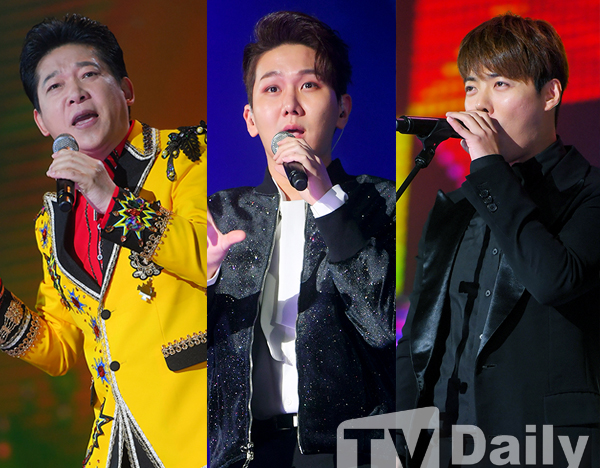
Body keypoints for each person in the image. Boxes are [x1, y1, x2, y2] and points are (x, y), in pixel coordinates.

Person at [0, 14, 207, 467]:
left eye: (89, 74)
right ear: (41, 122)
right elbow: (60, 347)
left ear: (127, 90)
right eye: (54, 86)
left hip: (195, 426)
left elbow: (207, 258)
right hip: (116, 439)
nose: (75, 93)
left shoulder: (187, 155)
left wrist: (110, 200)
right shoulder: (51, 221)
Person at [396, 13, 599, 467]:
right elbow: (418, 339)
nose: (480, 105)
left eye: (501, 84)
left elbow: (554, 280)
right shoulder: (456, 209)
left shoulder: (589, 194)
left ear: (550, 94)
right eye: (471, 87)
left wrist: (488, 167)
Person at [207, 11, 396, 468]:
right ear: (251, 118)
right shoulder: (220, 214)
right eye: (272, 89)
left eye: (309, 85)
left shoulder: (383, 203)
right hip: (243, 453)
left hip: (349, 452)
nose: (290, 105)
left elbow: (383, 327)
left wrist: (325, 202)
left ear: (343, 109)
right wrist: (204, 280)